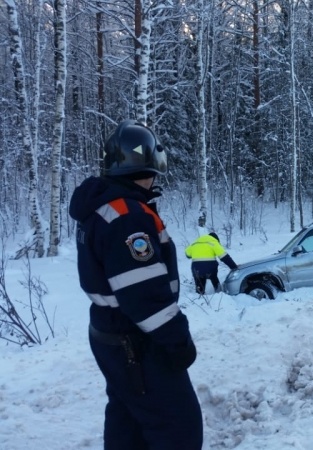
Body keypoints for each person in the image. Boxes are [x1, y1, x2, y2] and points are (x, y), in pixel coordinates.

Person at [68, 120, 203, 450]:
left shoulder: (102, 208)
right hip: (138, 343)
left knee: (127, 422)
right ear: (147, 164)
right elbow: (143, 293)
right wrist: (177, 339)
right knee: (179, 429)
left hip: (112, 336)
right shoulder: (128, 215)